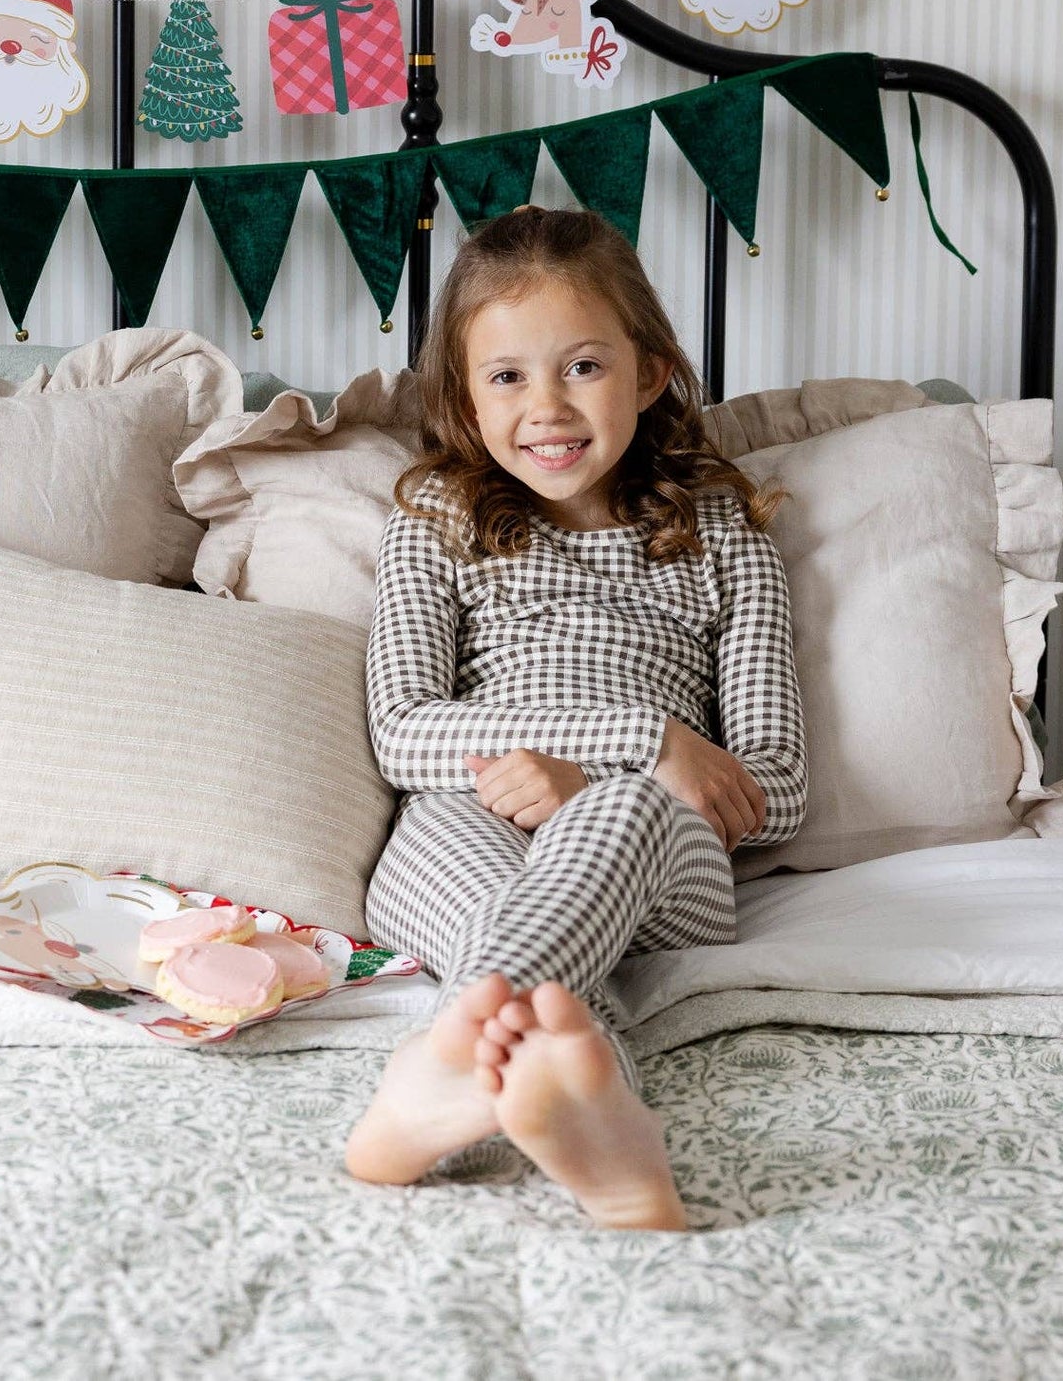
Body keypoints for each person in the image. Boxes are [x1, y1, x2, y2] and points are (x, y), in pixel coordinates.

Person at [343, 206, 807, 1230]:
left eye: (583, 366)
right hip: (465, 820)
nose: (546, 407)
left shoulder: (722, 534)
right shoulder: (435, 520)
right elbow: (404, 731)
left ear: (647, 373)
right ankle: (607, 1141)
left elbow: (774, 790)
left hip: (658, 850)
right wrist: (644, 736)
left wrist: (607, 777)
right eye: (507, 375)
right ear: (464, 396)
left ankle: (431, 1077)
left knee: (621, 813)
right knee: (541, 973)